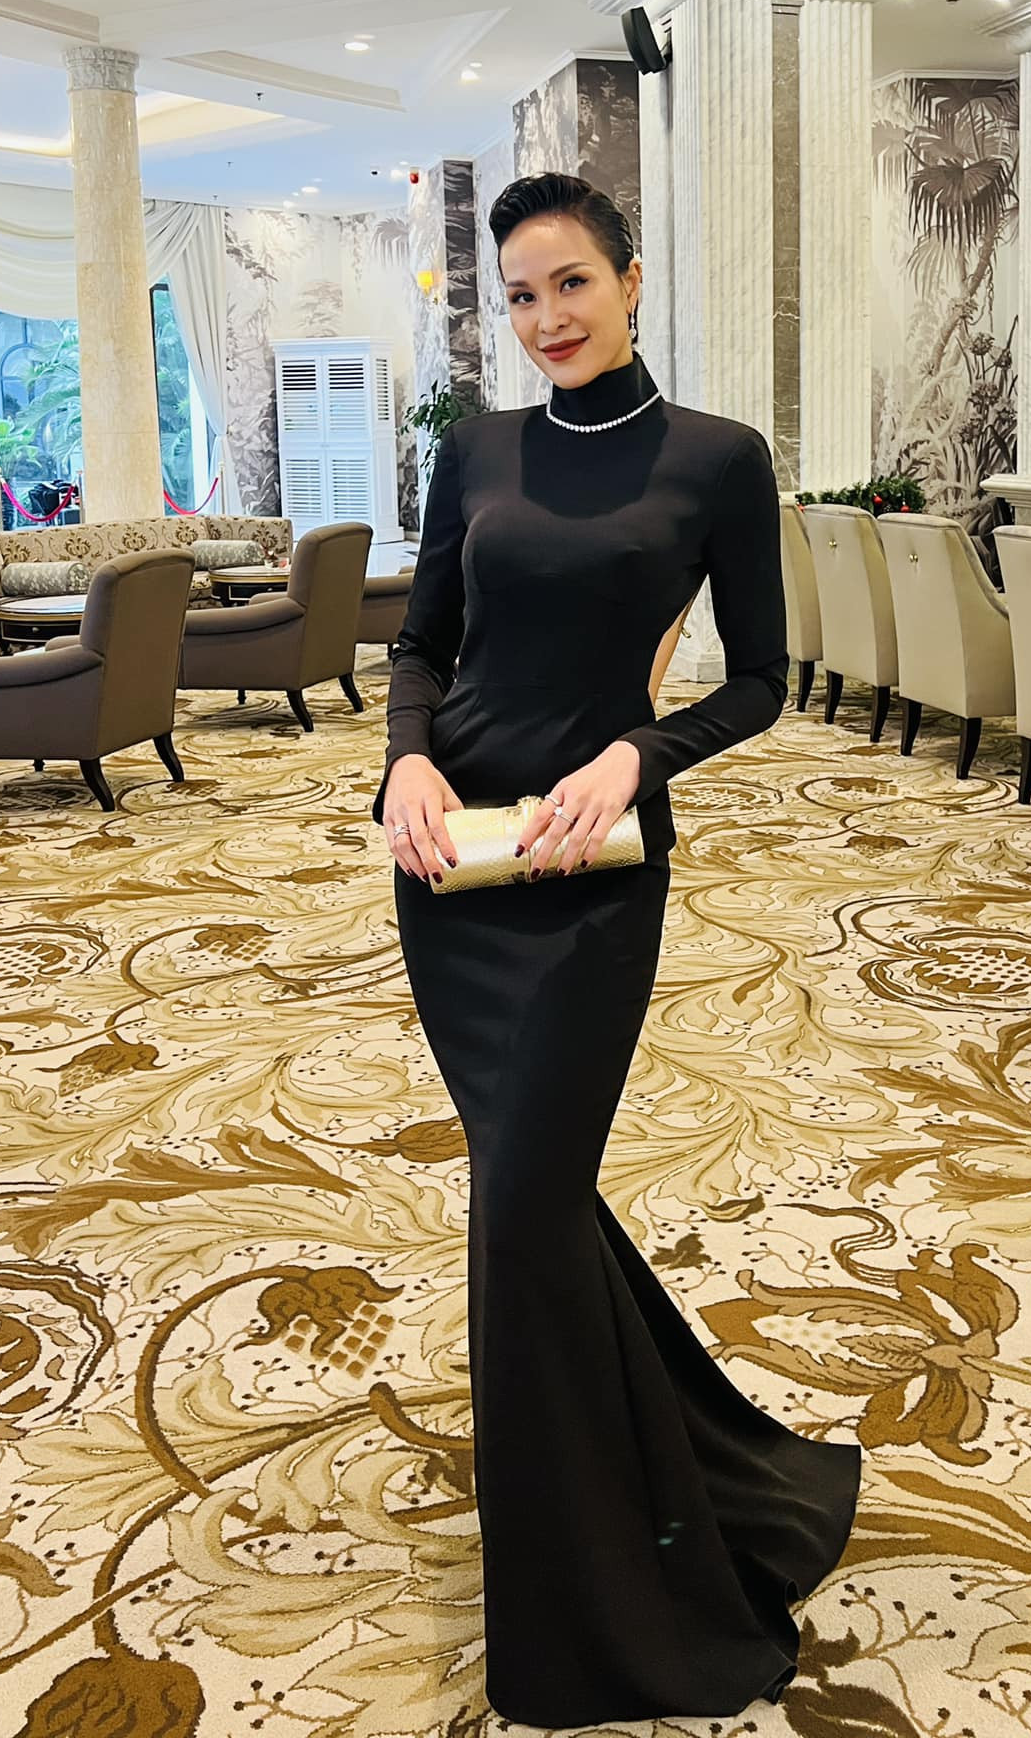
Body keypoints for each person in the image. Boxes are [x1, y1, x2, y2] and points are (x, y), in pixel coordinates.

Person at [372, 171, 860, 1725]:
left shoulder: (716, 458)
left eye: (571, 284)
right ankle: (664, 1488)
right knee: (533, 1211)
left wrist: (641, 754)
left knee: (522, 1208)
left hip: (593, 872)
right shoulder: (477, 450)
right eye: (520, 297)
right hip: (457, 868)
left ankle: (610, 1590)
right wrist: (405, 762)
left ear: (631, 280)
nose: (546, 320)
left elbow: (765, 680)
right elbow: (423, 643)